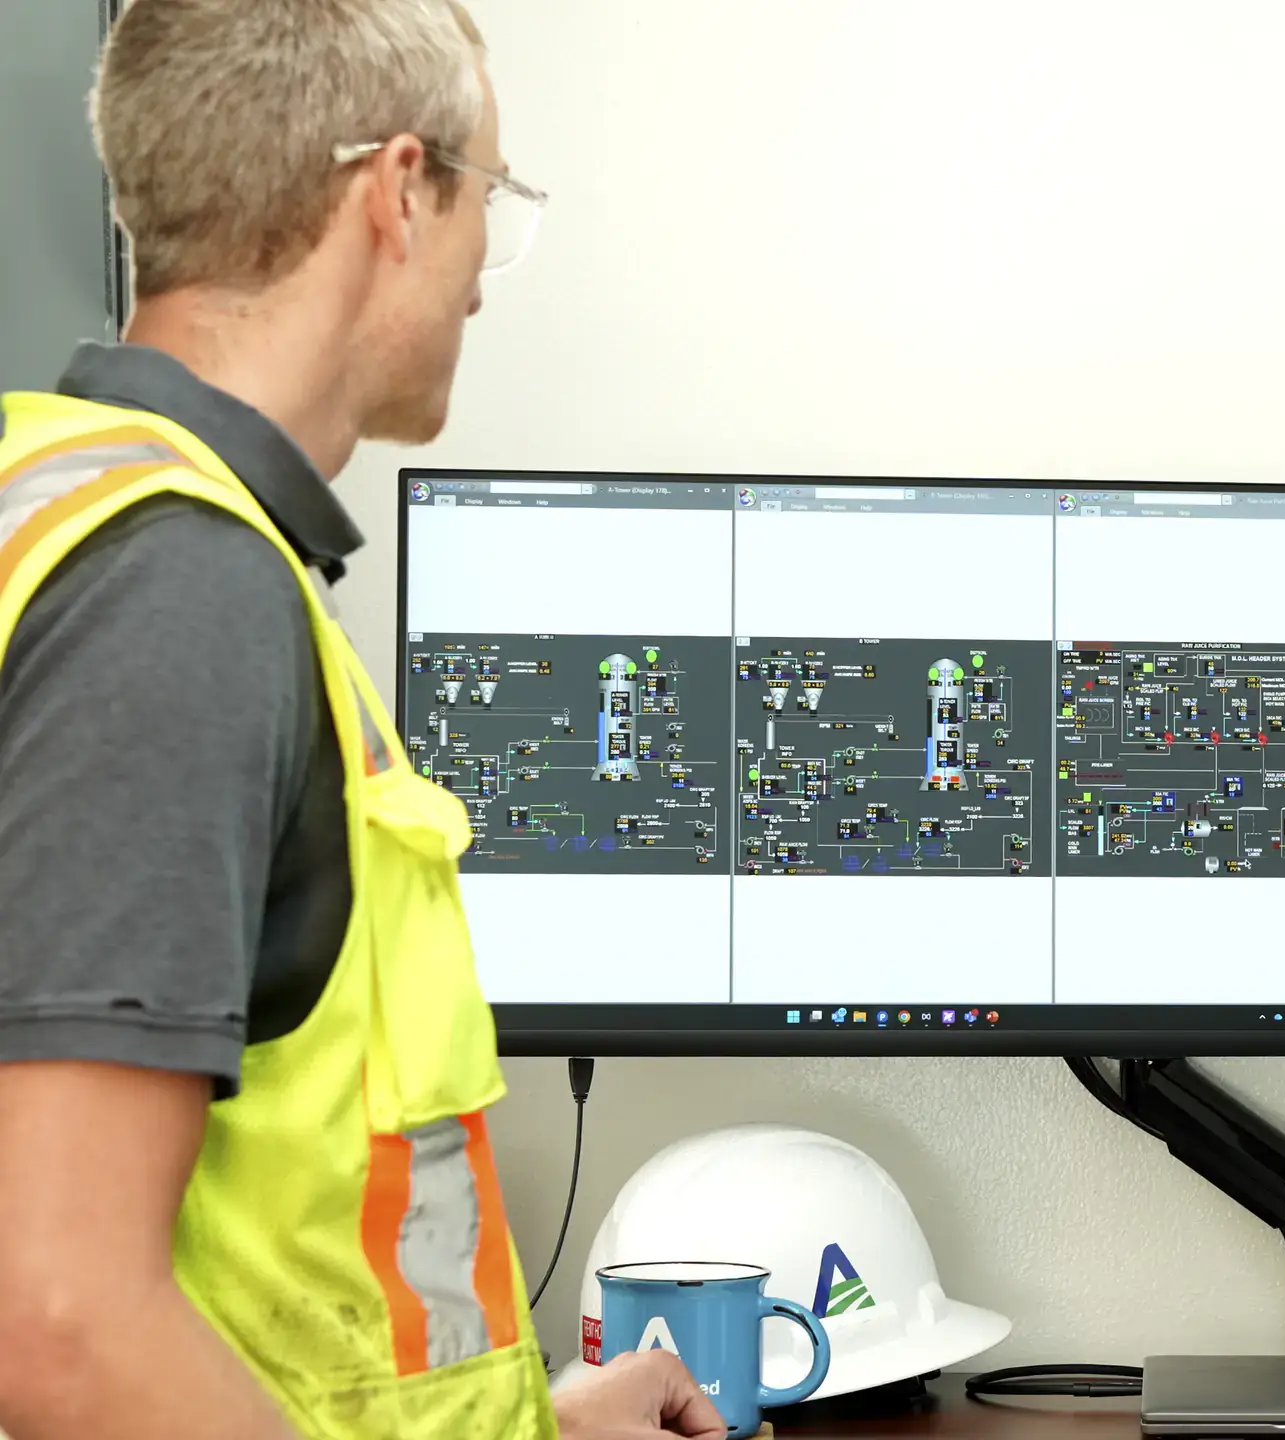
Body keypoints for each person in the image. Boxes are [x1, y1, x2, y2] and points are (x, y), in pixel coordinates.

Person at [0, 3, 719, 1437]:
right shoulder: (179, 591)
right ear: (398, 191)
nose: (478, 284)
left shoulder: (69, 499)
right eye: (487, 200)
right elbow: (60, 1324)